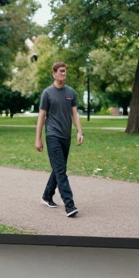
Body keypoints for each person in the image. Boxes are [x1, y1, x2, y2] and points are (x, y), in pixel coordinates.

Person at [35, 62, 84, 217]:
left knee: (58, 168)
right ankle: (69, 205)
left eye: (65, 72)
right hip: (52, 135)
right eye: (61, 72)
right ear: (54, 73)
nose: (64, 74)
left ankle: (47, 196)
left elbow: (75, 114)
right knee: (61, 170)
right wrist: (38, 139)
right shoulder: (47, 93)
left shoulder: (71, 92)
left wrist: (79, 132)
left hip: (66, 136)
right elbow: (41, 117)